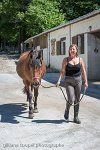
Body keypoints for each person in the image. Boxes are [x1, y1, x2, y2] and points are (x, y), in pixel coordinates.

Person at [56, 44, 88, 124]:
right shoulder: (66, 60)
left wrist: (86, 81)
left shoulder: (80, 60)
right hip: (68, 81)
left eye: (73, 49)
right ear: (69, 51)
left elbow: (83, 71)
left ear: (76, 50)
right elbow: (62, 71)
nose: (72, 50)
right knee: (70, 99)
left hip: (78, 81)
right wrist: (59, 80)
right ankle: (67, 110)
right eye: (71, 49)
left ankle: (75, 117)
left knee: (77, 100)